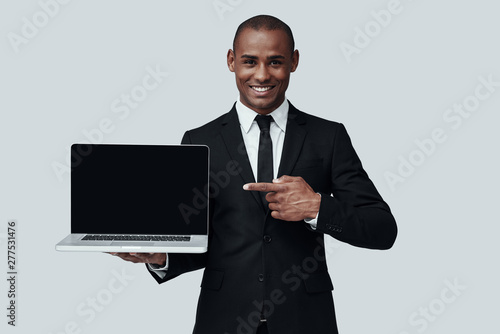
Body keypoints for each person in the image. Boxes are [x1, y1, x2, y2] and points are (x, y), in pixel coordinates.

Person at [111, 14, 397, 334]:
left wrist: (317, 207)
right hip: (222, 321)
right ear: (232, 61)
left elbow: (382, 229)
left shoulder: (327, 138)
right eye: (250, 61)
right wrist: (160, 255)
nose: (262, 75)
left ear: (294, 61)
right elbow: (199, 240)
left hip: (305, 320)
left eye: (275, 62)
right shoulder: (199, 141)